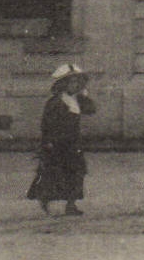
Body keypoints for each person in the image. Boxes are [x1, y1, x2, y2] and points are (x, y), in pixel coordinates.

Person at [28, 64, 96, 216]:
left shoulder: (76, 100)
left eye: (77, 82)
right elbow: (47, 124)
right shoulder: (56, 102)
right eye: (72, 82)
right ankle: (45, 200)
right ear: (63, 84)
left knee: (77, 172)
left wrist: (85, 95)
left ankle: (71, 204)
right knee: (53, 173)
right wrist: (49, 142)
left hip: (73, 143)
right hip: (58, 143)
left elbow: (91, 110)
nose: (75, 85)